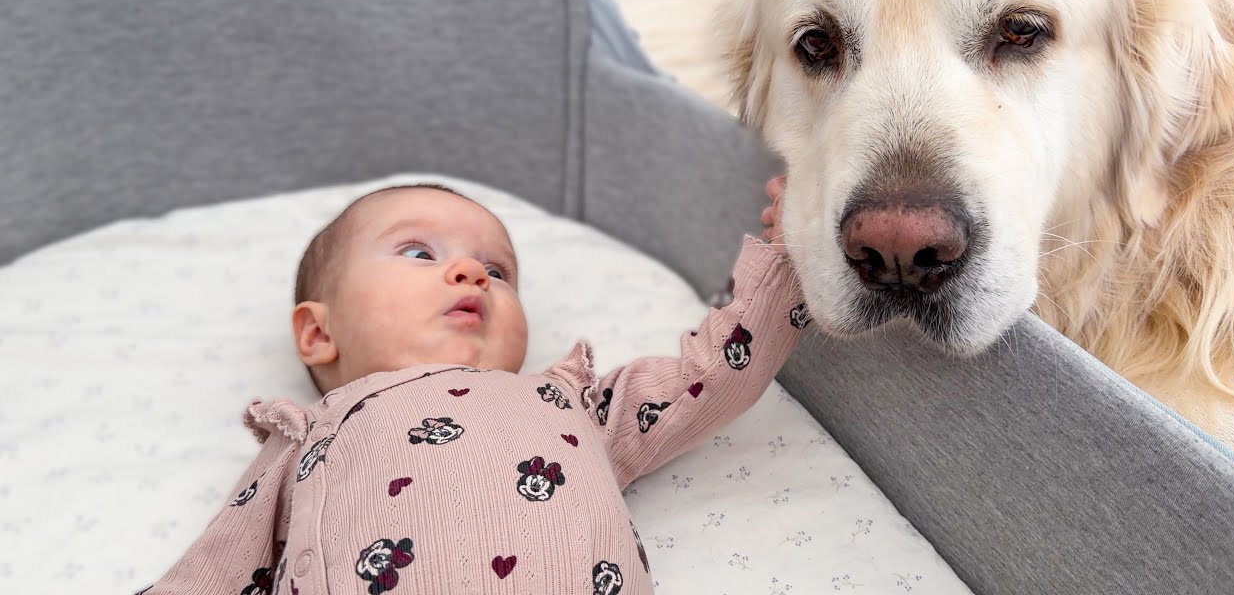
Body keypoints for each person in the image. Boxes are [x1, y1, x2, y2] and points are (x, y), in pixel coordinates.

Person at [142, 177, 807, 595]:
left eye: (499, 269)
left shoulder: (571, 405)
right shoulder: (309, 435)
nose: (470, 272)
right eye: (417, 253)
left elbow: (713, 376)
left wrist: (788, 258)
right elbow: (214, 571)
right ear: (318, 334)